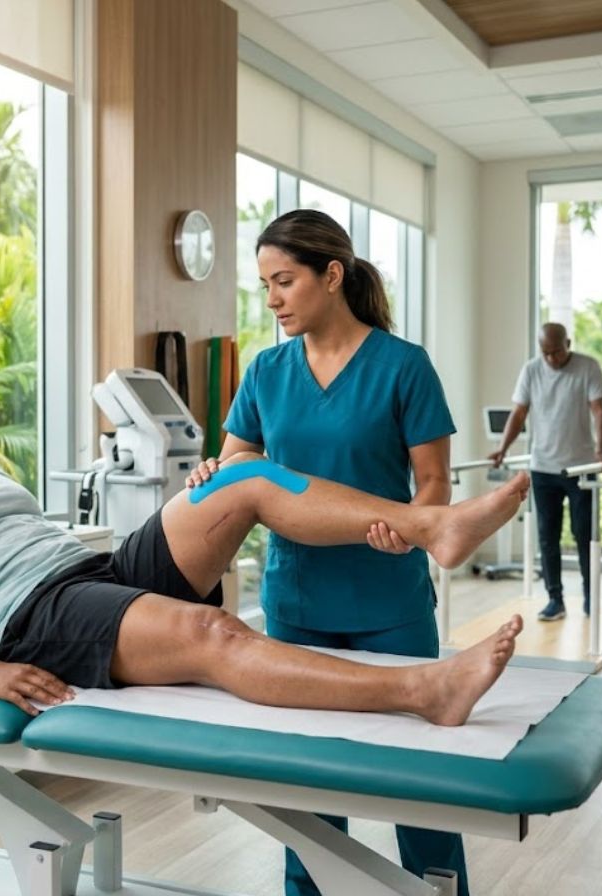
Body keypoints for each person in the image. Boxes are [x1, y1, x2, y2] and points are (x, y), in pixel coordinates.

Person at [0, 340, 530, 735]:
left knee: (242, 475)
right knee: (213, 631)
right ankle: (422, 691)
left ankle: (432, 525)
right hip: (30, 619)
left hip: (92, 574)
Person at [187, 209, 462, 896]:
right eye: (264, 286)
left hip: (389, 600)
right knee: (307, 782)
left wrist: (415, 524)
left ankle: (440, 885)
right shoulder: (268, 370)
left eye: (284, 281)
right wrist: (210, 474)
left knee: (413, 774)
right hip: (297, 598)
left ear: (331, 275)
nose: (272, 298)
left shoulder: (404, 366)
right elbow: (240, 461)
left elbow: (432, 482)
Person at [489, 322, 602, 621]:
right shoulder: (531, 370)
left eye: (557, 351)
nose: (552, 359)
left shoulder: (588, 367)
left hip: (581, 468)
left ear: (568, 343)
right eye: (546, 353)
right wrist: (503, 449)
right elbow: (519, 412)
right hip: (543, 468)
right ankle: (555, 599)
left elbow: (599, 411)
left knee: (585, 536)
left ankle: (590, 597)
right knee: (547, 538)